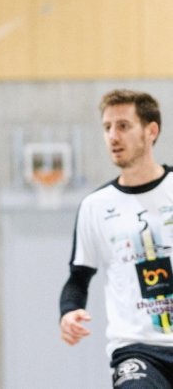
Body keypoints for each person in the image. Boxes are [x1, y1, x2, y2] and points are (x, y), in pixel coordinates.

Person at [61, 89, 173, 386]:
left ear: (151, 131)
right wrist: (69, 311)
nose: (113, 136)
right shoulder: (95, 206)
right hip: (137, 350)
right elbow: (78, 277)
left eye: (123, 126)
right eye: (107, 127)